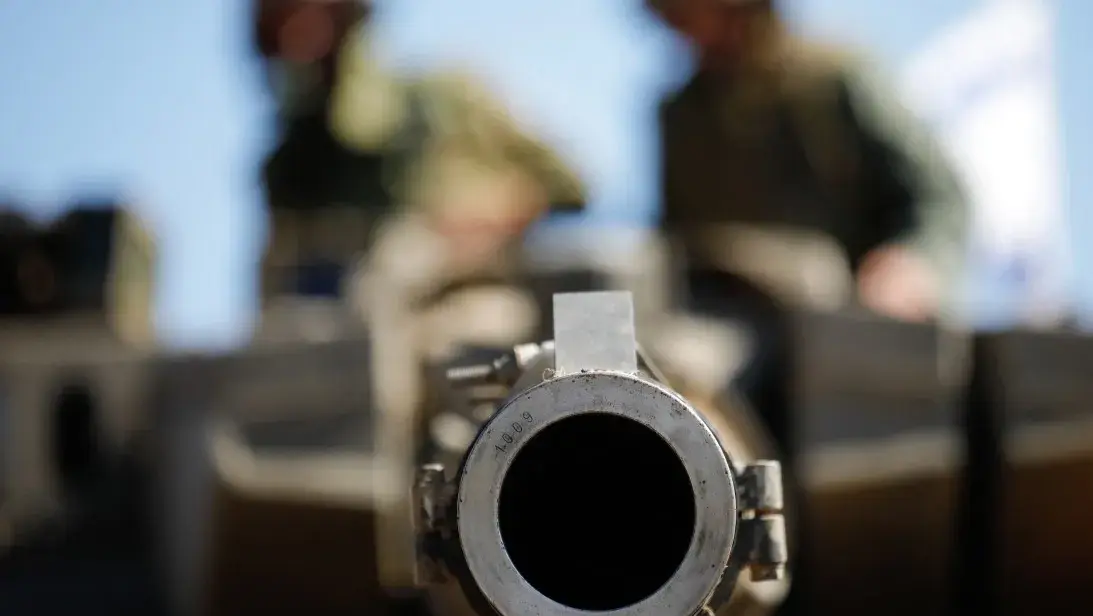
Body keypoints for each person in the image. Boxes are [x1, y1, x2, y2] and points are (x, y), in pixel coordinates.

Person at [646, 0, 968, 448]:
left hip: (839, 319)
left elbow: (936, 195)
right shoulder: (681, 112)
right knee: (672, 370)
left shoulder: (832, 78)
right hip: (722, 321)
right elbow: (673, 238)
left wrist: (913, 262)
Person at [253, 0, 587, 304]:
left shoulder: (446, 98)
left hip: (474, 306)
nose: (296, 41)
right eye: (280, 28)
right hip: (350, 328)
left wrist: (487, 217)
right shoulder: (291, 167)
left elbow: (568, 186)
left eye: (309, 18)